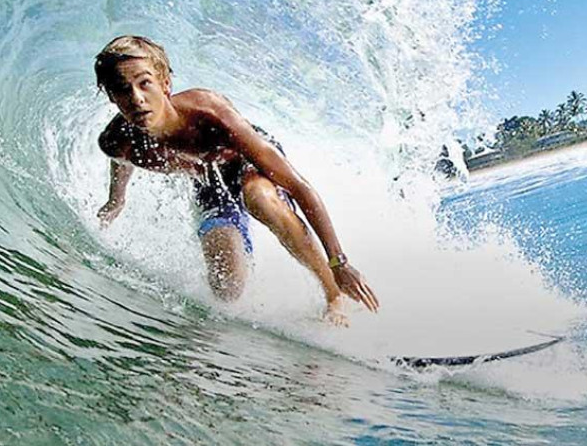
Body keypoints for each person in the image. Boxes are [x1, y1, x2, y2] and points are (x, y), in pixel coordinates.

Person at [93, 35, 379, 325]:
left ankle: (334, 293)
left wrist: (339, 261)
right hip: (210, 182)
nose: (136, 98)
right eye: (122, 89)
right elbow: (121, 161)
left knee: (260, 200)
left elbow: (299, 187)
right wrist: (116, 200)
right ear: (111, 97)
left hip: (249, 166)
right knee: (227, 290)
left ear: (165, 83)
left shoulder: (209, 112)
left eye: (145, 83)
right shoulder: (118, 141)